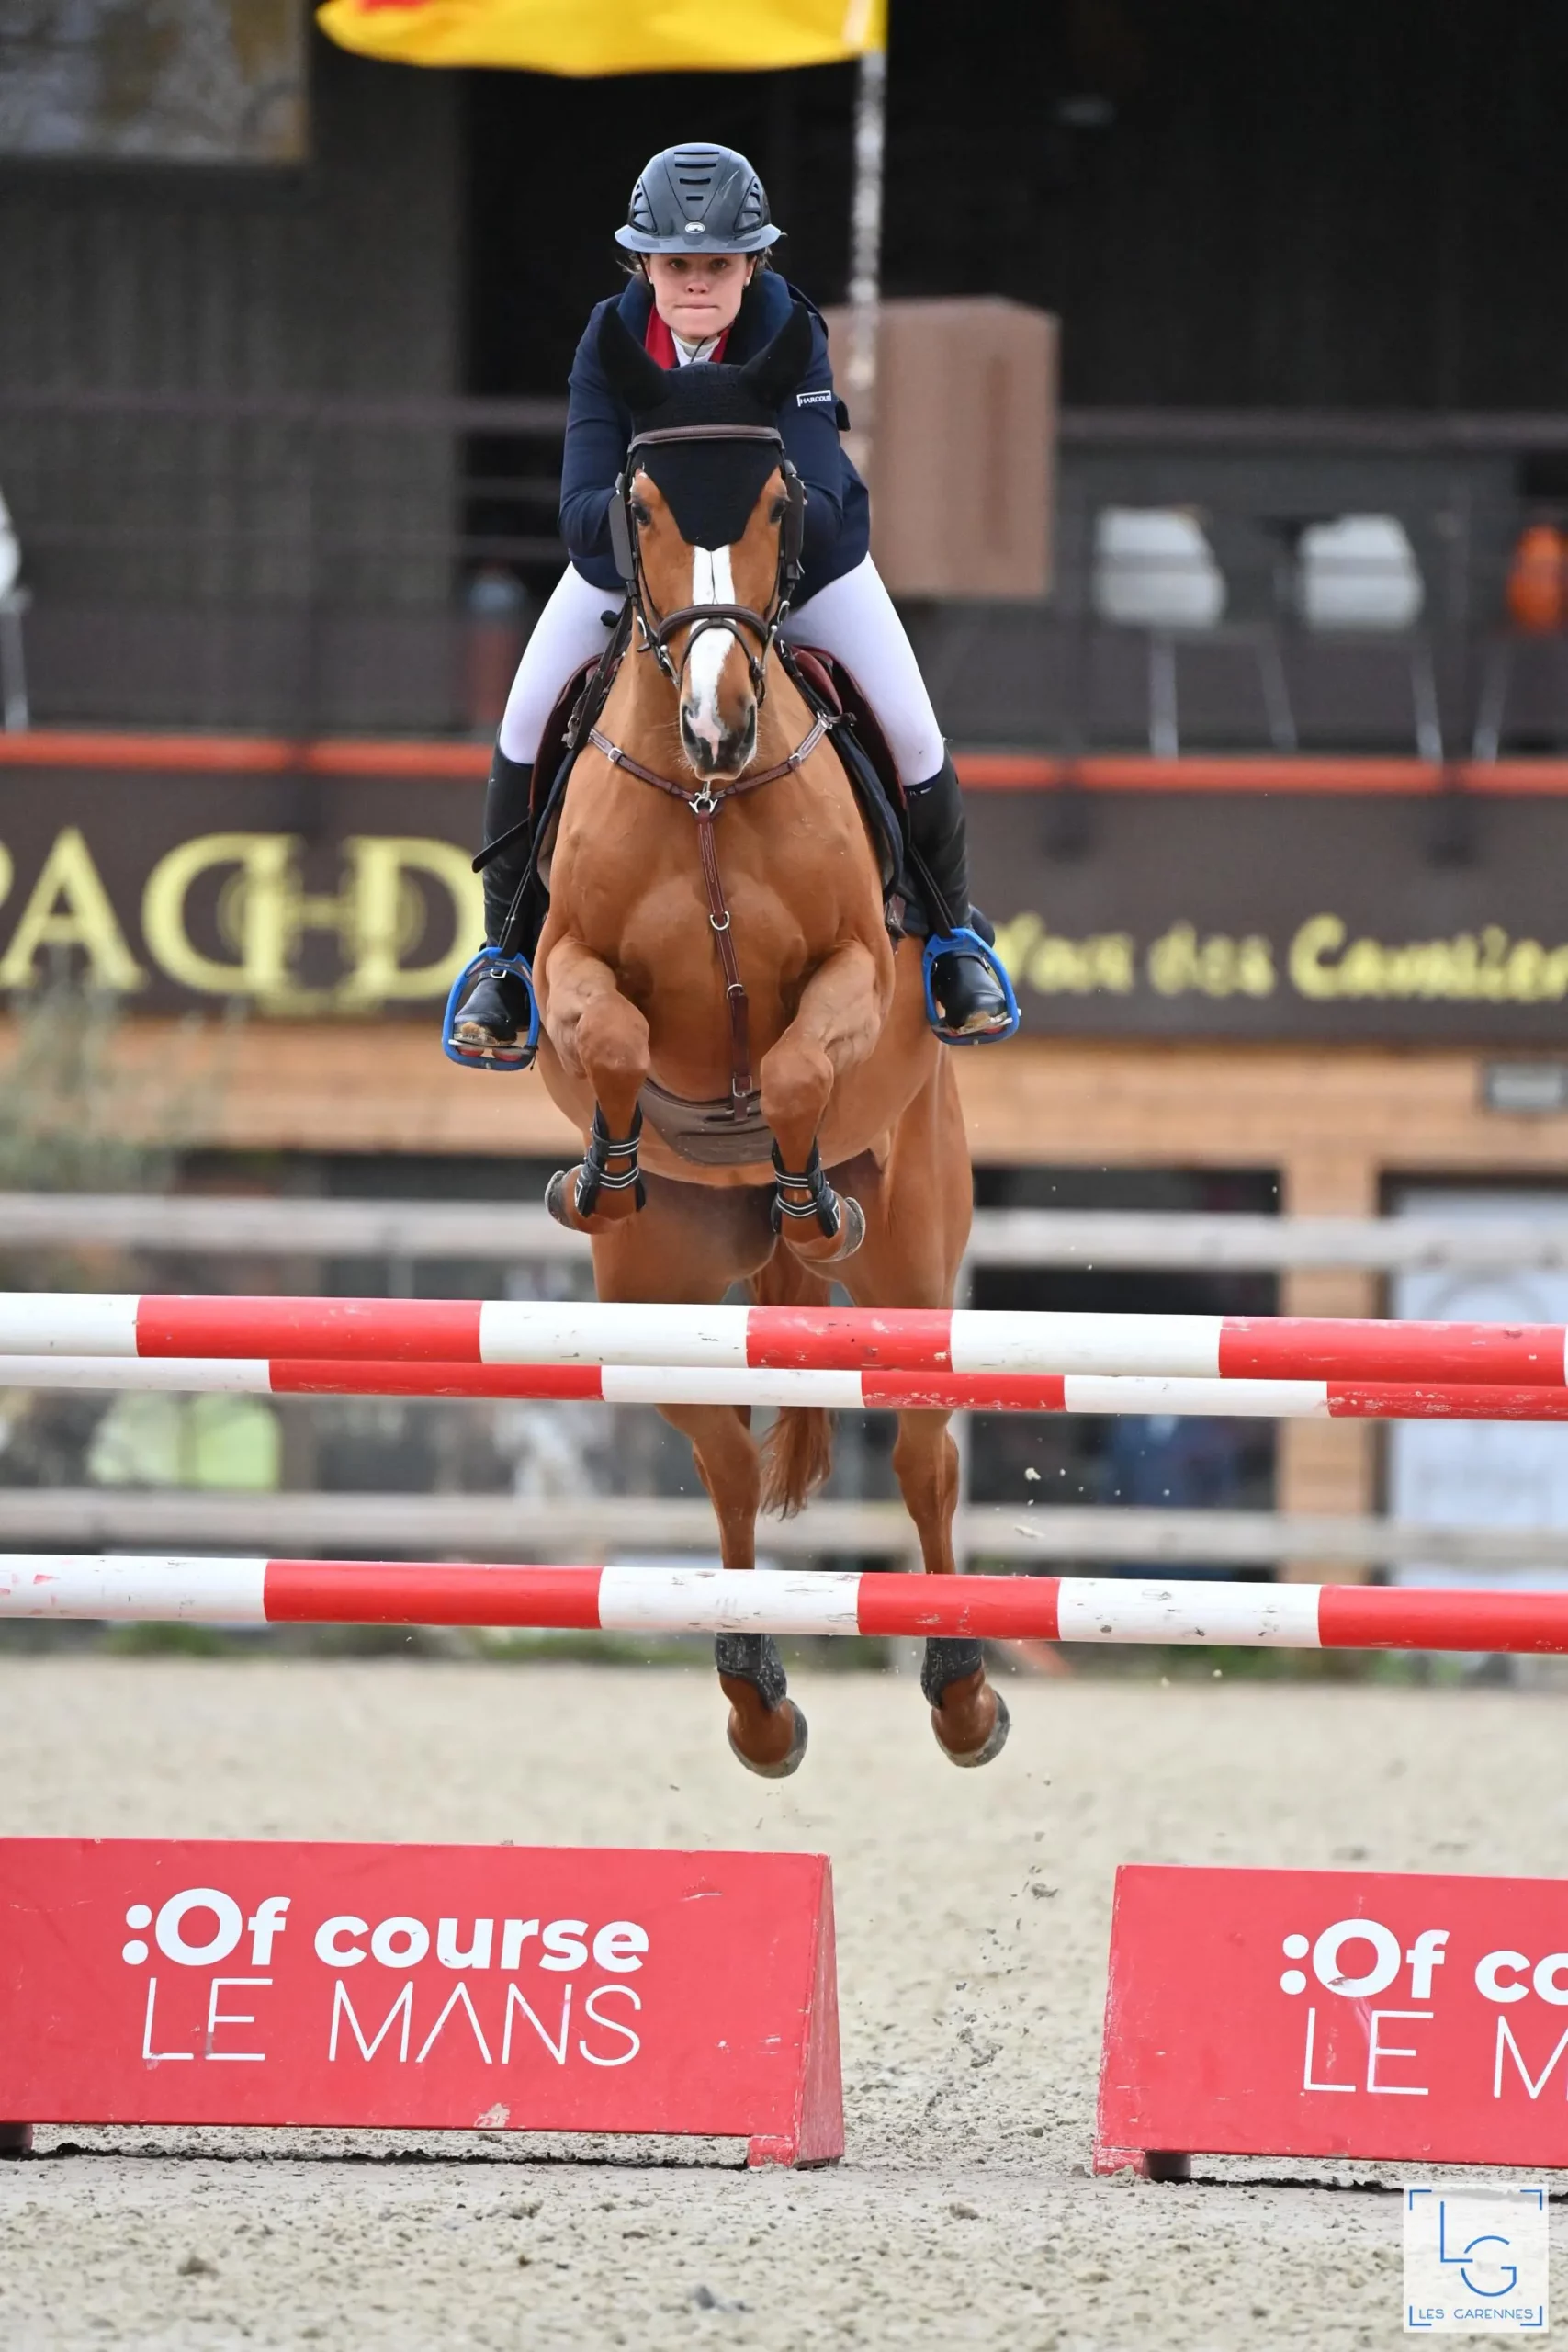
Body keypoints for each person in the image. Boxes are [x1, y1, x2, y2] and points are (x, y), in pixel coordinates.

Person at [449, 141, 1015, 1063]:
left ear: (753, 264)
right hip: (643, 578)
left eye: (718, 264)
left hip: (796, 572)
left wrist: (748, 550)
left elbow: (823, 505)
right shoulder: (610, 337)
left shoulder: (788, 328)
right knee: (521, 722)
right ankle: (506, 959)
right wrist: (665, 541)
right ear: (646, 265)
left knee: (912, 731)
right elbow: (581, 512)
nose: (698, 284)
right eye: (677, 265)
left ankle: (952, 942)